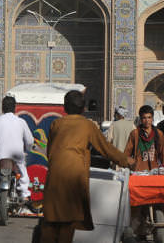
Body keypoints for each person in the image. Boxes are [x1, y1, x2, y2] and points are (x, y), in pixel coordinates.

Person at [40, 90, 134, 243]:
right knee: (68, 222)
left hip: (54, 178)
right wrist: (126, 160)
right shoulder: (87, 125)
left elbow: (50, 152)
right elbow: (105, 149)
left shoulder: (56, 124)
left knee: (50, 221)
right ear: (84, 109)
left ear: (64, 107)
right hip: (74, 178)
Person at [0, 95, 34, 205]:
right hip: (17, 153)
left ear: (2, 108)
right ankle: (25, 194)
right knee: (22, 171)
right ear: (15, 108)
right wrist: (28, 149)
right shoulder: (21, 122)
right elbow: (30, 140)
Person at [124, 105, 164, 171]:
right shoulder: (135, 133)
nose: (147, 120)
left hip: (154, 171)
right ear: (140, 119)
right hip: (138, 171)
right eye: (144, 118)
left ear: (152, 118)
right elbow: (127, 153)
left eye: (149, 117)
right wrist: (129, 167)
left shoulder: (158, 133)